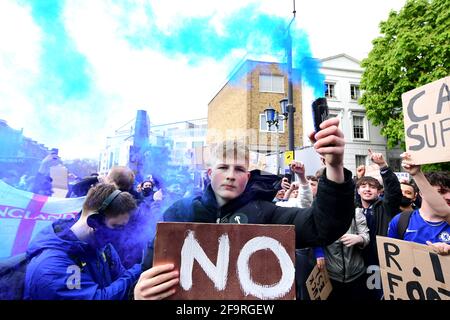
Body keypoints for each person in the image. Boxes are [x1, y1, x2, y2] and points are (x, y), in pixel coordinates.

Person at [134, 117, 356, 300]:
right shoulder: (179, 214)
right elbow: (151, 270)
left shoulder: (265, 214)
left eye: (239, 169)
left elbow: (323, 226)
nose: (230, 175)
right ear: (210, 174)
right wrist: (139, 292)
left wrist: (334, 167)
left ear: (247, 177)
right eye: (223, 167)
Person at [24, 183, 141, 299]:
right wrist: (141, 268)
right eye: (116, 227)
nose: (120, 235)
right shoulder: (51, 266)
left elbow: (121, 279)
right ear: (94, 221)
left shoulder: (104, 247)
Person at [388, 153, 449, 255]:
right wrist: (416, 173)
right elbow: (392, 257)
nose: (448, 197)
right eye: (441, 192)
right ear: (422, 192)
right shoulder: (401, 221)